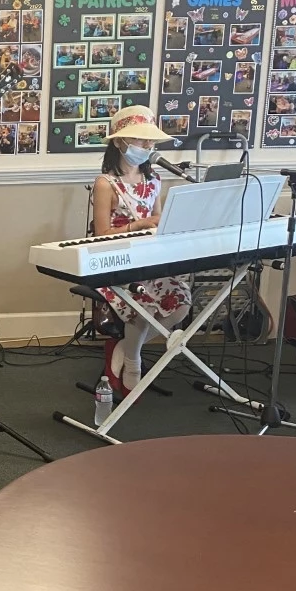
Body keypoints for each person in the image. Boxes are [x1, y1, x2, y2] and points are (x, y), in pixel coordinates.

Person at [92, 107, 191, 394]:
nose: (148, 147)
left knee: (180, 302)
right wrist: (138, 225)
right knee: (143, 303)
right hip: (117, 260)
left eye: (151, 142)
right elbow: (101, 235)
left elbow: (159, 221)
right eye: (141, 140)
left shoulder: (154, 181)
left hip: (150, 258)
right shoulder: (105, 184)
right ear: (120, 142)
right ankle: (133, 360)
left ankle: (127, 345)